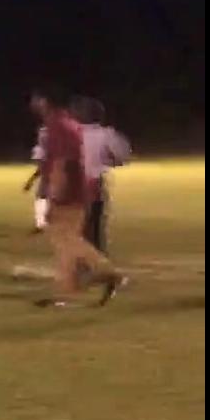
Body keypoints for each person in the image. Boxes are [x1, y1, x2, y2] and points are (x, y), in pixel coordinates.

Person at [30, 88, 127, 307]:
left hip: (70, 191)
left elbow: (63, 161)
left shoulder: (59, 125)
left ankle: (109, 271)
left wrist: (54, 192)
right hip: (79, 189)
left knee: (69, 239)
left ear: (45, 101)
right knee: (65, 242)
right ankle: (65, 293)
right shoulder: (69, 124)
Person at [72, 96, 130, 254]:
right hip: (94, 184)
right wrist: (108, 161)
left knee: (75, 228)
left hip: (72, 185)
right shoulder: (106, 134)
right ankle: (94, 261)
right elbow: (122, 155)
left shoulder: (70, 133)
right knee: (94, 227)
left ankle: (85, 263)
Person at [22, 126, 50, 233]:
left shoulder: (39, 150)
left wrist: (30, 181)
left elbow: (41, 169)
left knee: (41, 198)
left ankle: (40, 223)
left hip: (48, 178)